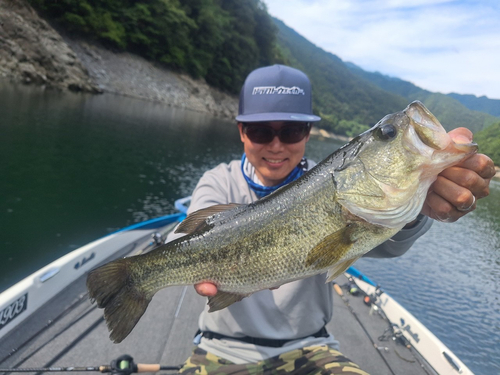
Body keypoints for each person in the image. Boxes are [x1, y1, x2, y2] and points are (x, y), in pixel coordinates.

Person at [172, 65, 495, 374]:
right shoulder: (218, 181)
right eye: (260, 131)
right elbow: (183, 243)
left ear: (308, 132)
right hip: (221, 349)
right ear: (242, 132)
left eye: (291, 131)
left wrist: (419, 205)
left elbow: (389, 244)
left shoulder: (335, 183)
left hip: (311, 349)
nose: (275, 145)